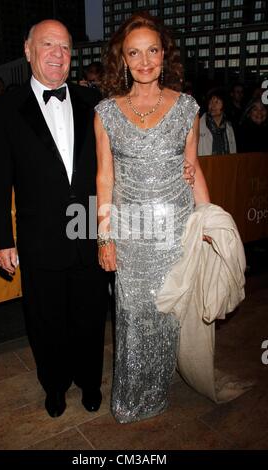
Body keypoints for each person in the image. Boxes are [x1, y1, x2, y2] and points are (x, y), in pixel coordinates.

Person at [0, 20, 108, 418]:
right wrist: (1, 239)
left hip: (89, 229)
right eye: (48, 45)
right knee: (45, 320)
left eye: (66, 47)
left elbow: (116, 167)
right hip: (38, 238)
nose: (58, 54)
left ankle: (90, 381)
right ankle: (53, 386)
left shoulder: (95, 103)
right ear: (28, 50)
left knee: (90, 316)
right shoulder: (5, 109)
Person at [94, 12, 210, 423]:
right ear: (123, 60)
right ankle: (130, 398)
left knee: (167, 316)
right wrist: (104, 237)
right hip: (130, 234)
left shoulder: (187, 108)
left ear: (164, 55)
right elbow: (104, 177)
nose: (144, 61)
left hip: (175, 232)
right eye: (134, 53)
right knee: (131, 316)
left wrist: (207, 223)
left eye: (153, 51)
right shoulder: (106, 112)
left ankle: (159, 391)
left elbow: (193, 169)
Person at [198, 88, 237, 156]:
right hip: (207, 164)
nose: (212, 106)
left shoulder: (229, 126)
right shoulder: (199, 125)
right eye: (210, 102)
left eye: (216, 102)